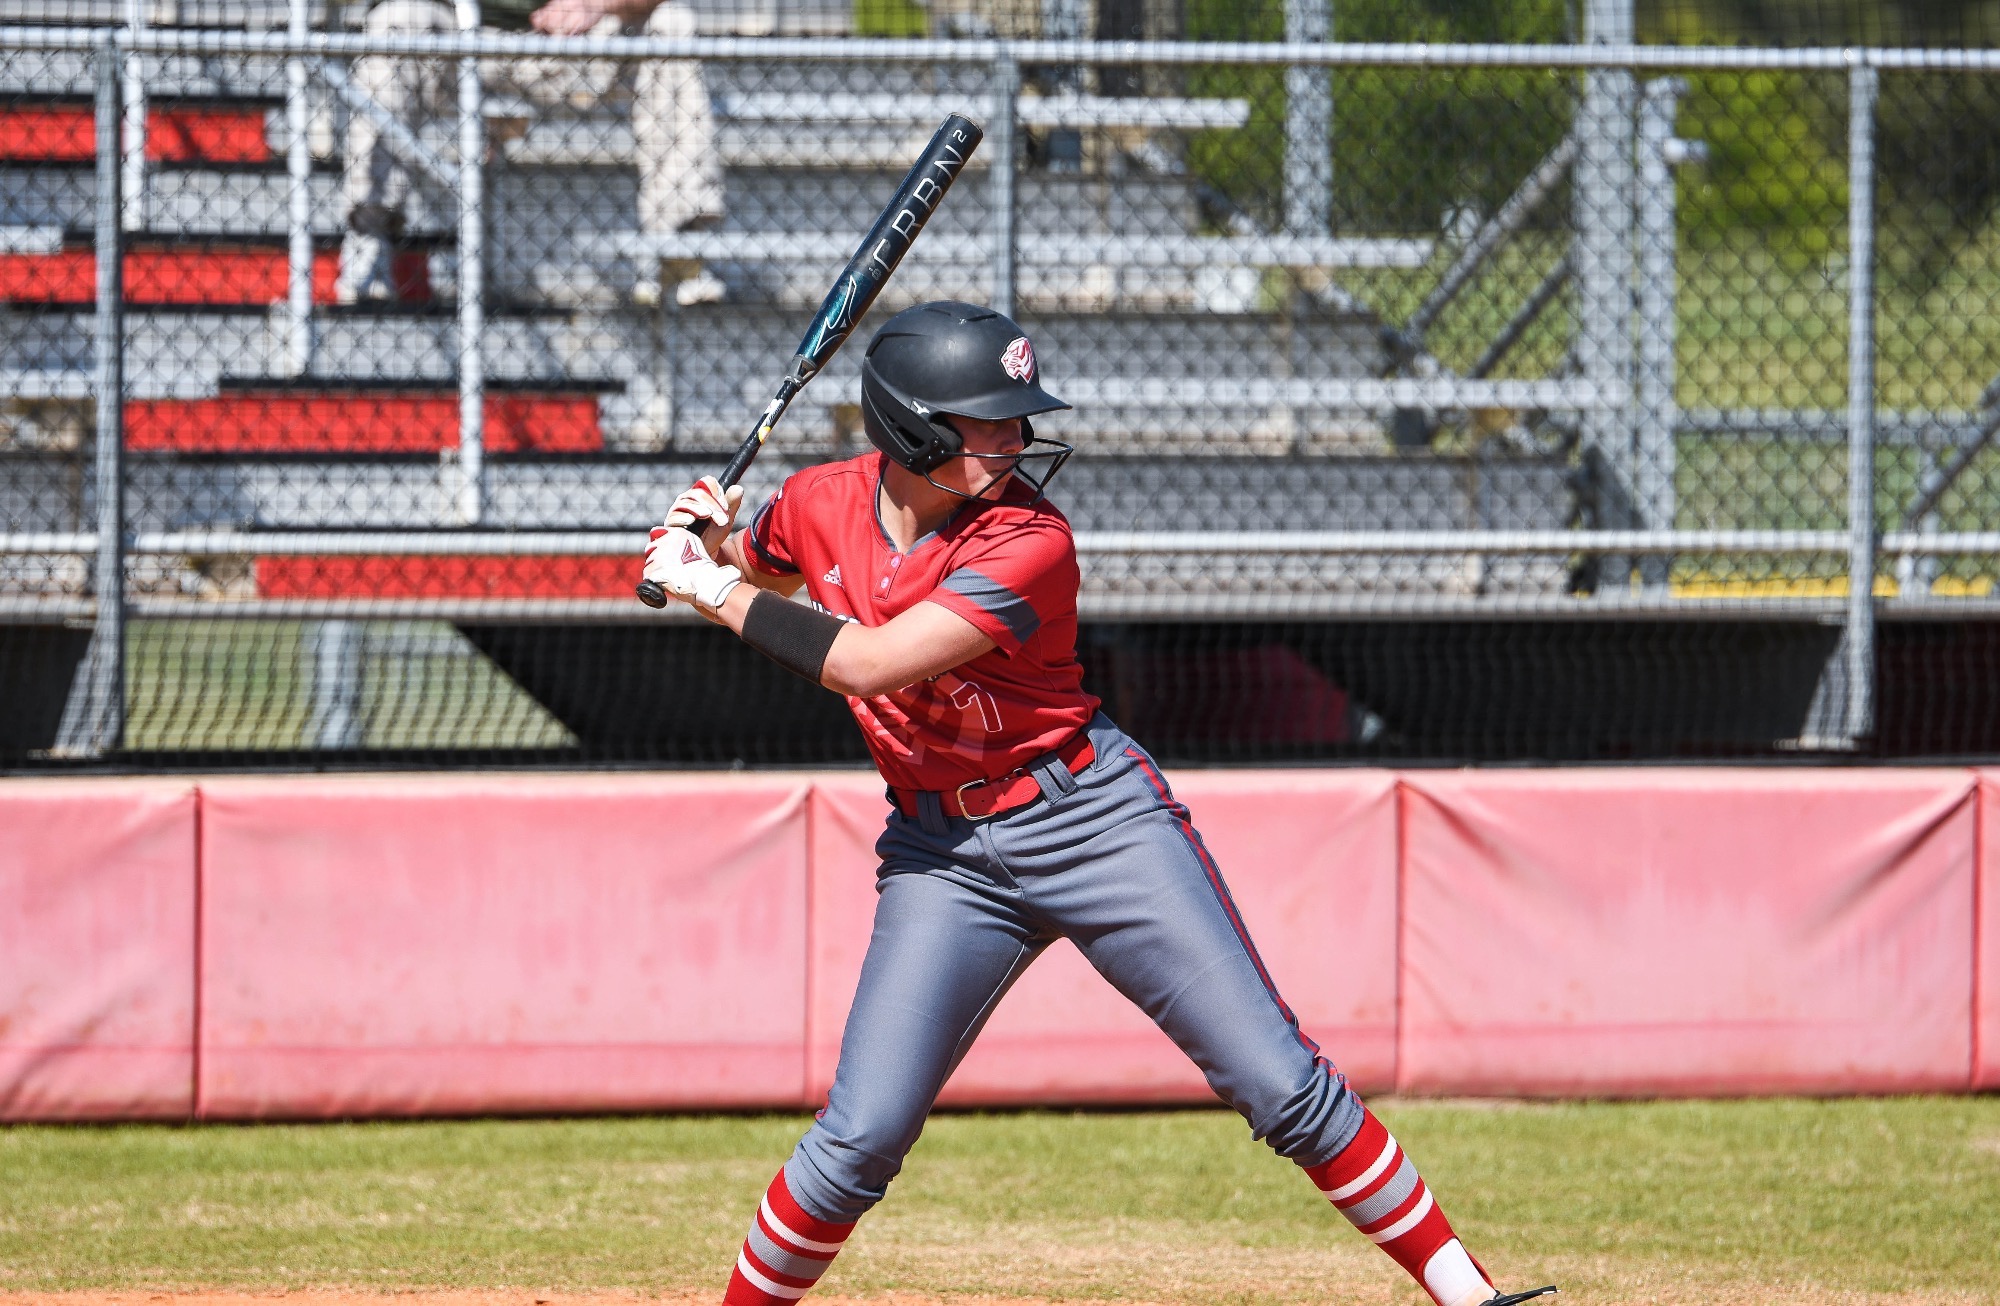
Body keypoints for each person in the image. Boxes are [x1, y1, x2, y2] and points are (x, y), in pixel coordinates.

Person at [640, 301, 1556, 1306]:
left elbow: (867, 662)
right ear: (913, 430)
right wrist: (711, 543)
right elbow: (762, 562)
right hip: (942, 855)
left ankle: (1470, 1296)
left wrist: (707, 590)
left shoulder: (1029, 540)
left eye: (1016, 419)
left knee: (1277, 1083)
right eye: (988, 422)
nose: (1015, 439)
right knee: (857, 1139)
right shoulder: (819, 499)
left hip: (1089, 821)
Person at [340, 0, 725, 306]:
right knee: (396, 19)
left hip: (564, 43)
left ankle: (679, 253)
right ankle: (369, 235)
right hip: (452, 38)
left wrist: (597, 4)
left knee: (670, 21)